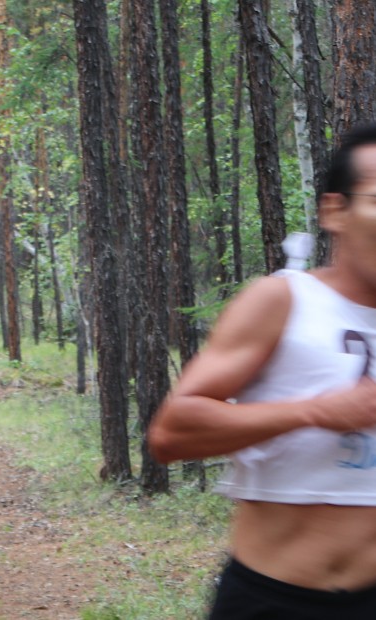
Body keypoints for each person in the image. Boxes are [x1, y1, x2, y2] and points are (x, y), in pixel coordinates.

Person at [148, 123, 376, 619]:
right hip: (276, 601)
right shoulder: (284, 301)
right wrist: (315, 411)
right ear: (335, 210)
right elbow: (171, 432)